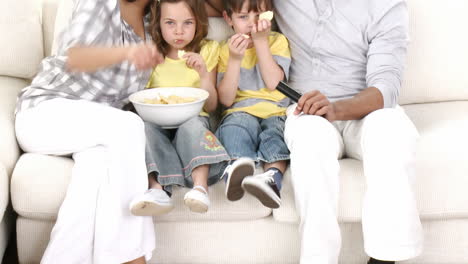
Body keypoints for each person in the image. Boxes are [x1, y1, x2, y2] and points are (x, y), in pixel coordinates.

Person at [14, 0, 165, 263]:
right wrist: (127, 53)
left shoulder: (154, 20)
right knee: (128, 125)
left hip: (95, 130)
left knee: (95, 177)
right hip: (46, 112)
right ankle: (131, 258)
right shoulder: (102, 3)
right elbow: (76, 56)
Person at [272, 0, 422, 263]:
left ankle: (385, 258)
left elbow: (386, 87)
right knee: (310, 140)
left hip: (366, 111)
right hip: (308, 111)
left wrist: (336, 108)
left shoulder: (387, 5)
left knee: (393, 131)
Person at [129, 0, 231, 215]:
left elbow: (212, 105)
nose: (179, 31)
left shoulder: (208, 49)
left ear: (198, 22)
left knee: (192, 127)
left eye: (187, 23)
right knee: (143, 129)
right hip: (156, 119)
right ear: (158, 23)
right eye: (170, 23)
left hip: (193, 117)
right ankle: (157, 189)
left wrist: (203, 73)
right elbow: (140, 98)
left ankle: (200, 187)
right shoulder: (152, 52)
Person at [214, 0, 291, 209]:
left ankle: (272, 178)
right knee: (234, 128)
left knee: (275, 135)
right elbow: (227, 100)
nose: (252, 24)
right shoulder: (225, 49)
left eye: (259, 16)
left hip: (276, 110)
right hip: (241, 110)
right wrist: (235, 59)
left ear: (270, 15)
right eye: (243, 17)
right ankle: (236, 168)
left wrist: (261, 43)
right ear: (228, 19)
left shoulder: (277, 41)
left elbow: (274, 83)